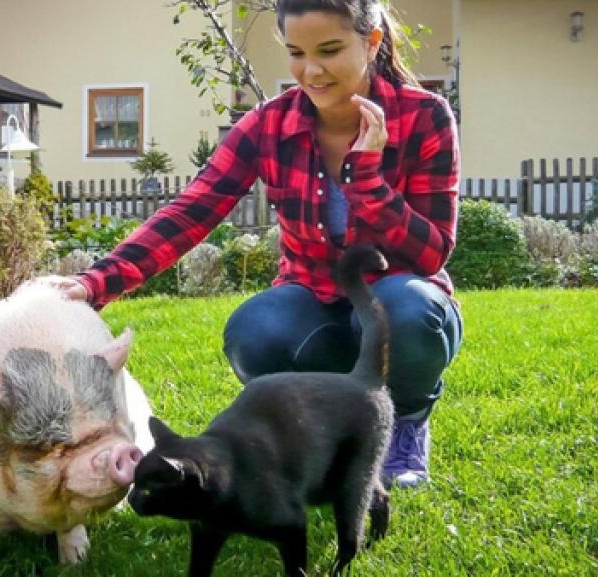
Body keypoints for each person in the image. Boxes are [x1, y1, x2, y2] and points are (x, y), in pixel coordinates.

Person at [51, 0, 462, 489]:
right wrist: (98, 282)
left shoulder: (425, 116)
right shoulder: (271, 125)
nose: (311, 71)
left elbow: (431, 252)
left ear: (371, 42)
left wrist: (367, 180)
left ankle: (406, 424)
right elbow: (191, 211)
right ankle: (319, 429)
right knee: (253, 331)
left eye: (330, 50)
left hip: (396, 304)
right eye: (296, 52)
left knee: (406, 311)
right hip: (316, 303)